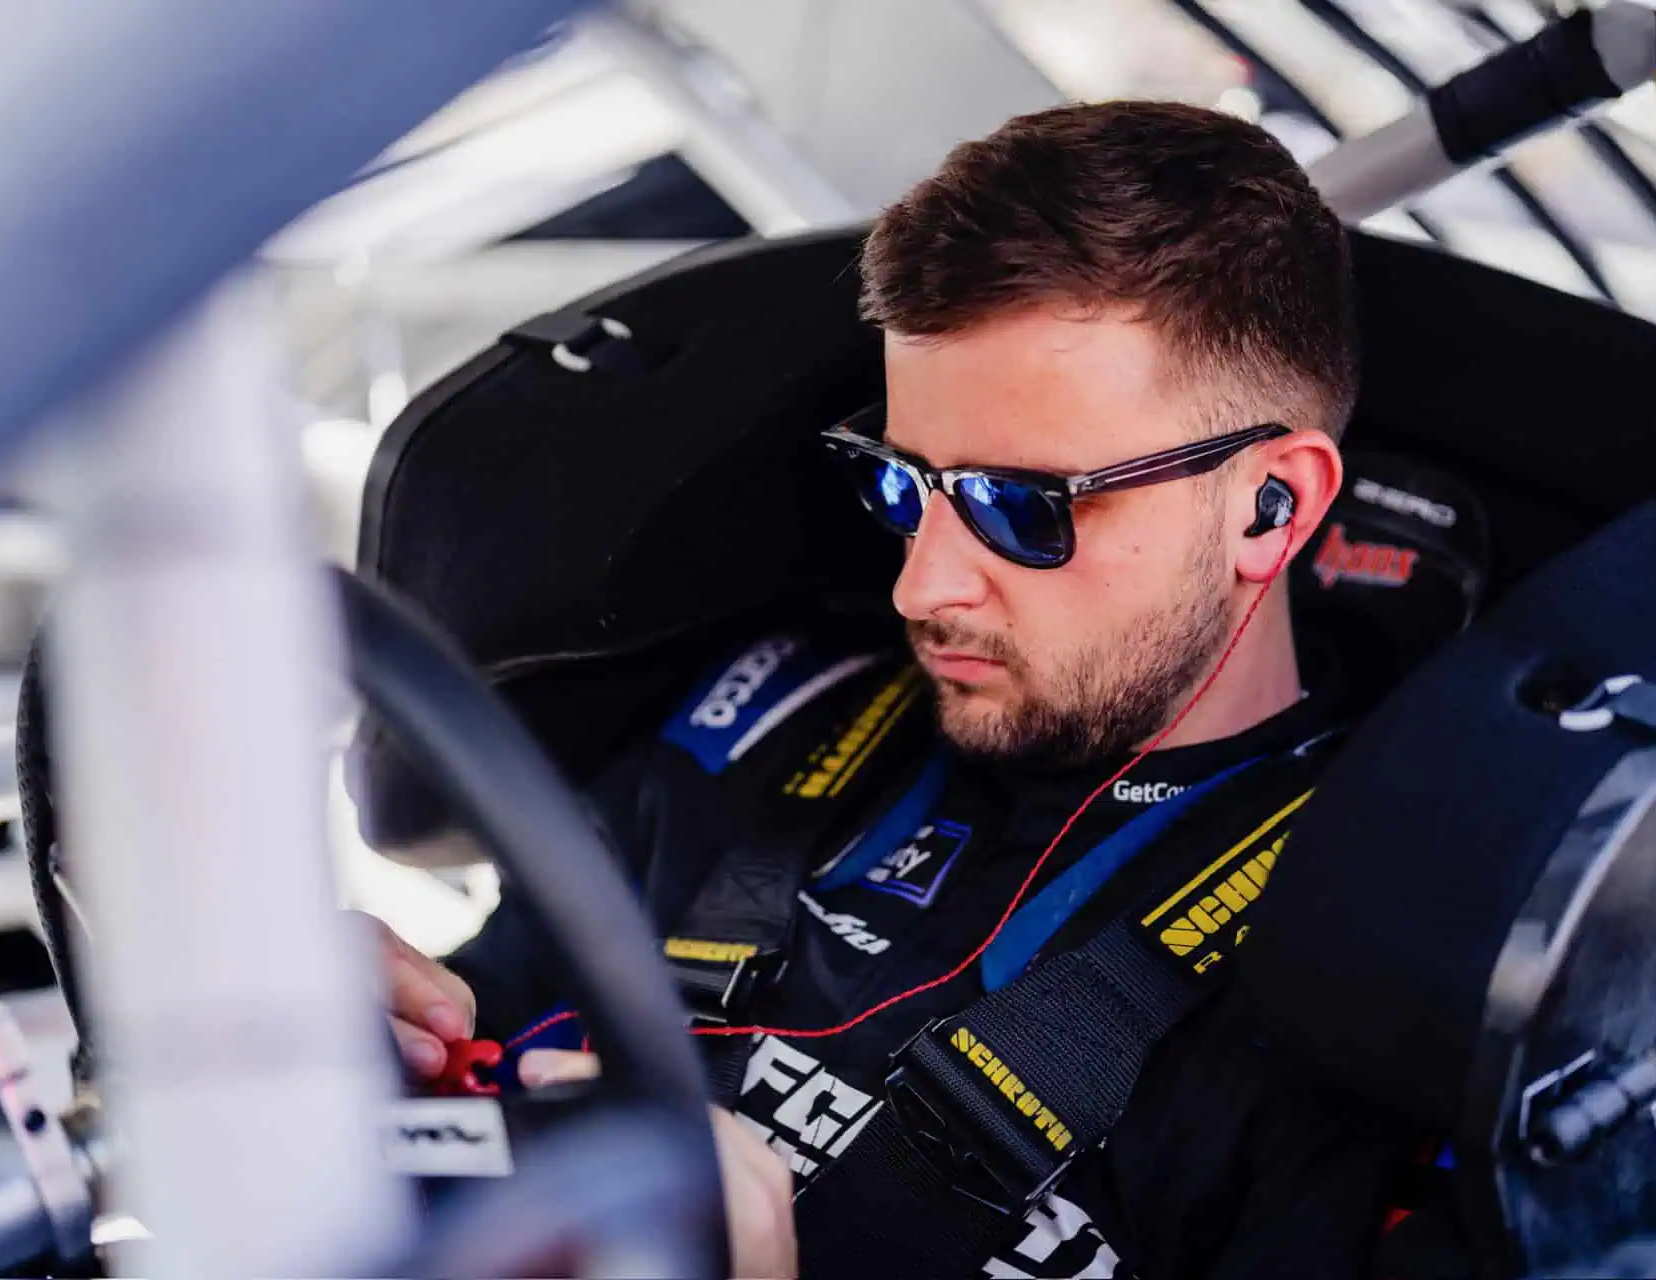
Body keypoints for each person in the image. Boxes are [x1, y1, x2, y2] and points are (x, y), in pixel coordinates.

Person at [372, 100, 1416, 1279]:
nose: (923, 585)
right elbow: (493, 1015)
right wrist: (377, 1038)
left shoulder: (1375, 989)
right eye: (903, 487)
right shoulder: (755, 726)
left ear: (1268, 505)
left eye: (1025, 508)